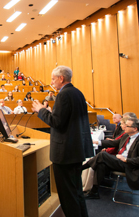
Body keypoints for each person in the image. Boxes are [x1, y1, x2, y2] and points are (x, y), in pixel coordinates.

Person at [31, 66, 93, 217]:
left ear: (61, 78)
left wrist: (41, 110)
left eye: (53, 79)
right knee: (76, 191)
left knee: (67, 195)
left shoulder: (63, 95)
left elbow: (57, 123)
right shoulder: (78, 93)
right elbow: (68, 120)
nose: (51, 82)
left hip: (65, 153)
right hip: (76, 150)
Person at [83, 117, 139, 199]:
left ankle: (81, 168)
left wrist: (126, 159)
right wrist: (98, 142)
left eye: (127, 126)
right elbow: (114, 143)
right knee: (101, 164)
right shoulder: (126, 135)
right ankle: (94, 192)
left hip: (129, 165)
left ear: (135, 129)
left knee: (102, 155)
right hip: (119, 161)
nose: (124, 127)